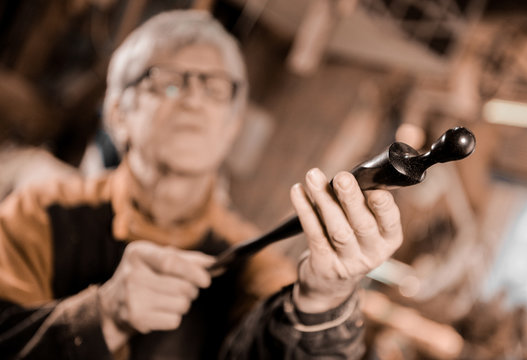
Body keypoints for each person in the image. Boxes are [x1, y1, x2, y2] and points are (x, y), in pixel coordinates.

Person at [0, 10, 403, 359]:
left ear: (233, 128)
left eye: (215, 88)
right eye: (169, 81)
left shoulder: (254, 262)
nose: (194, 100)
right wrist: (100, 316)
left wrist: (323, 302)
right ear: (119, 113)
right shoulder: (41, 213)